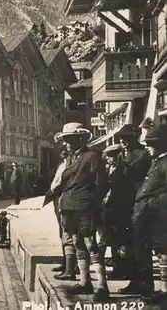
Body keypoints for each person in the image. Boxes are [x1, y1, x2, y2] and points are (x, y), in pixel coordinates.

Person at [57, 122, 109, 302]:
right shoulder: (71, 158)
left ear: (80, 138)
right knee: (77, 241)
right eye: (65, 140)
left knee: (90, 242)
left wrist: (93, 203)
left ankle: (102, 286)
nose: (66, 143)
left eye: (69, 139)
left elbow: (101, 183)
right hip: (70, 207)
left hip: (85, 206)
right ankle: (85, 281)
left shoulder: (92, 156)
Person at [120, 124, 167, 304]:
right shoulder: (157, 161)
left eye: (151, 144)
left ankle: (163, 292)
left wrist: (151, 204)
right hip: (145, 215)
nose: (147, 147)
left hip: (157, 215)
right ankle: (156, 290)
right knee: (148, 252)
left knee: (163, 254)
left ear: (160, 144)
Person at [115, 126, 151, 283]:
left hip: (136, 202)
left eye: (126, 138)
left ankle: (144, 282)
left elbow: (129, 175)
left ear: (135, 138)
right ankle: (134, 280)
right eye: (121, 138)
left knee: (140, 245)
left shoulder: (142, 155)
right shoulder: (123, 155)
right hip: (124, 204)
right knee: (128, 244)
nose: (122, 141)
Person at [101, 144, 129, 279]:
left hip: (119, 209)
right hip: (109, 210)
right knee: (112, 240)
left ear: (118, 155)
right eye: (108, 157)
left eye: (111, 156)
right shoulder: (109, 169)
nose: (108, 159)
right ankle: (117, 268)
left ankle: (121, 269)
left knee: (119, 241)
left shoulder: (123, 169)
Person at [49, 144, 77, 280]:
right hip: (58, 199)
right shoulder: (63, 163)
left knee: (68, 233)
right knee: (63, 232)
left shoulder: (72, 163)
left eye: (65, 150)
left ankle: (71, 266)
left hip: (65, 198)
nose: (63, 152)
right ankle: (66, 262)